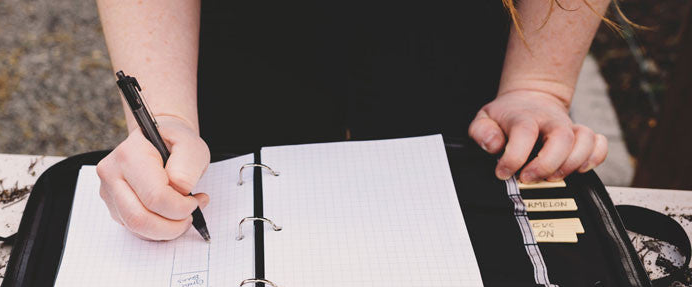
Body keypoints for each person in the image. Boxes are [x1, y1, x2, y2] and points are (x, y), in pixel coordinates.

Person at [95, 0, 614, 241]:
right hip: (244, 35)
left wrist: (537, 84)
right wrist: (166, 115)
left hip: (454, 35)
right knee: (229, 175)